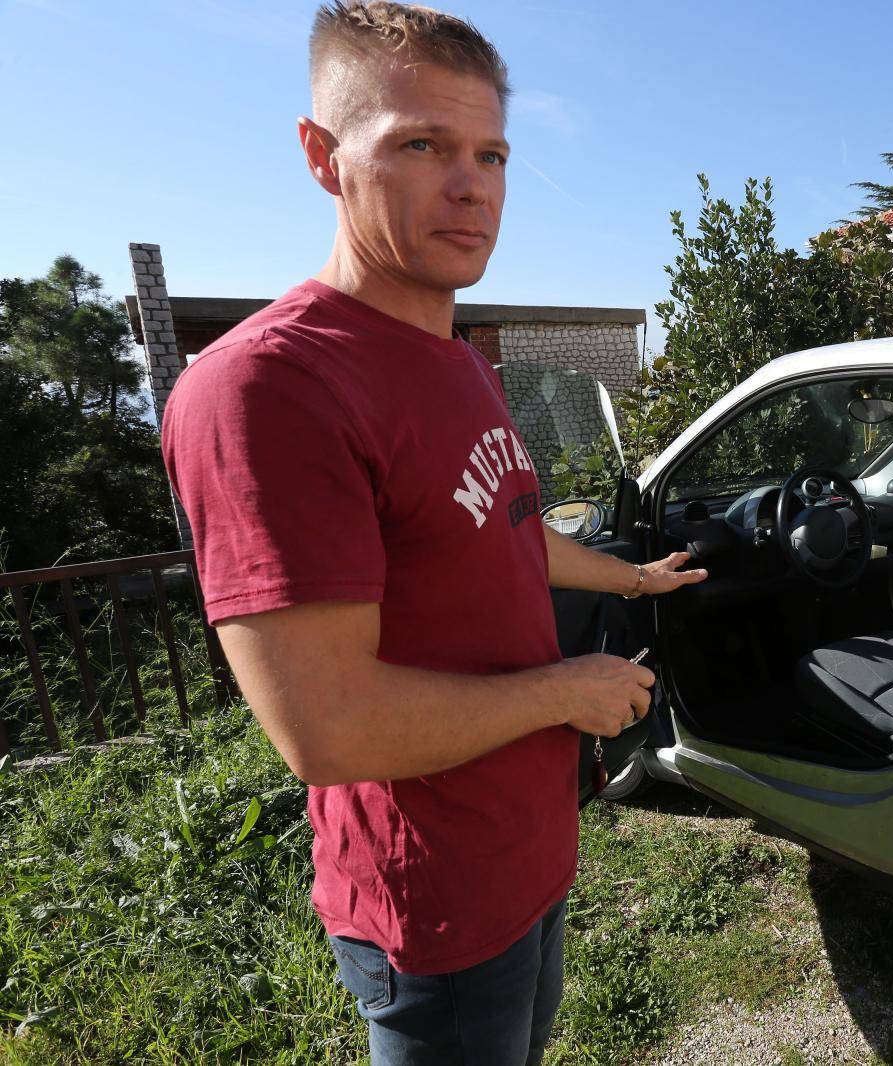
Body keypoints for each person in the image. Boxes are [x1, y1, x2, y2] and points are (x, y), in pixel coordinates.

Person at [159, 3, 706, 1063]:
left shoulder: (456, 357)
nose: (473, 185)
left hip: (526, 849)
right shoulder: (268, 387)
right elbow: (327, 728)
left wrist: (636, 581)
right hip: (433, 898)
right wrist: (569, 690)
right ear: (322, 157)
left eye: (491, 152)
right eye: (421, 144)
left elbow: (503, 534)